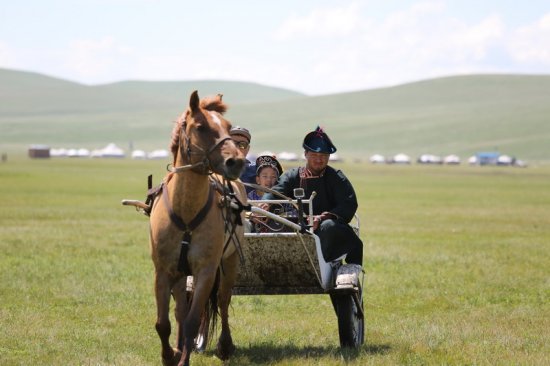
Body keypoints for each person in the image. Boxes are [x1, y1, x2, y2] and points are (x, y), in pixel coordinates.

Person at [262, 126, 363, 287]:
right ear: (306, 155)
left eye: (323, 155)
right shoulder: (292, 176)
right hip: (299, 228)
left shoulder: (336, 177)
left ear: (329, 157)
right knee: (269, 225)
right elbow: (275, 193)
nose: (318, 159)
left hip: (328, 232)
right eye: (314, 155)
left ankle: (339, 270)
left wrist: (323, 217)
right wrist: (264, 206)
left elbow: (348, 203)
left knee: (330, 226)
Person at [229, 126, 255, 192]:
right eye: (233, 143)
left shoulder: (256, 171)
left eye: (242, 145)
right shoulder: (214, 170)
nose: (237, 148)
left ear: (248, 149)